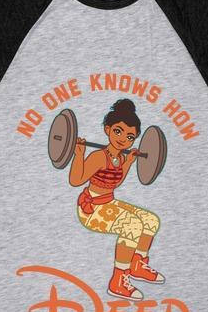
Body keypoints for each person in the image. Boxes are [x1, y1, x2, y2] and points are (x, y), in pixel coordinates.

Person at [69, 99, 164, 301]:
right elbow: (75, 180)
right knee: (132, 225)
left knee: (150, 220)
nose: (123, 140)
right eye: (118, 132)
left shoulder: (120, 158)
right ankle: (118, 281)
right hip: (92, 209)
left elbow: (116, 181)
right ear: (108, 130)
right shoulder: (98, 157)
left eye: (130, 137)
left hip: (108, 203)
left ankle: (137, 265)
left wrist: (129, 161)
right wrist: (79, 154)